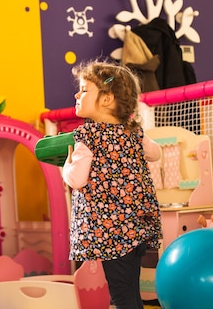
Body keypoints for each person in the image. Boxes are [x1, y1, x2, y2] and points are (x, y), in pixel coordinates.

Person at [62, 60, 162, 309]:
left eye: (84, 90)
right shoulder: (134, 133)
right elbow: (156, 152)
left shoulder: (88, 136)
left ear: (106, 99)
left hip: (111, 234)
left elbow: (77, 179)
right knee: (129, 290)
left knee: (122, 295)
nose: (77, 94)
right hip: (137, 227)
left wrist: (67, 166)